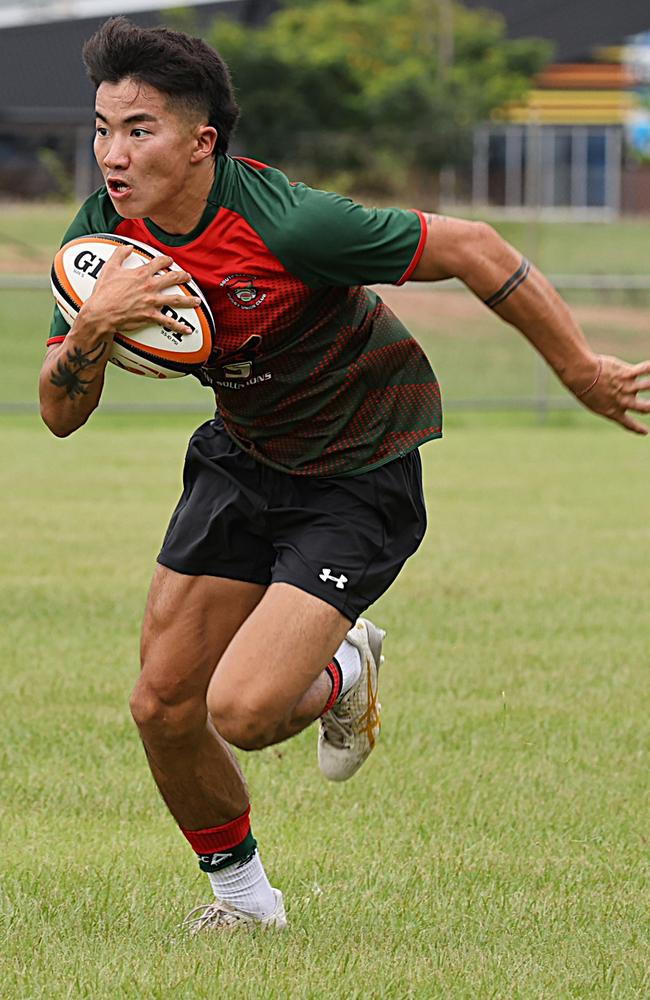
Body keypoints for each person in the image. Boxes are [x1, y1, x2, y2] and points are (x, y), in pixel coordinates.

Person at [39, 17, 650, 934]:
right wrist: (90, 329)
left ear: (201, 142)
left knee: (242, 711)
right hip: (245, 456)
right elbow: (57, 413)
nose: (111, 155)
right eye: (101, 128)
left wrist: (579, 371)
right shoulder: (102, 238)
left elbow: (477, 248)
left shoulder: (291, 223)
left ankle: (342, 667)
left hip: (357, 468)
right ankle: (247, 907)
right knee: (163, 705)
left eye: (139, 130)